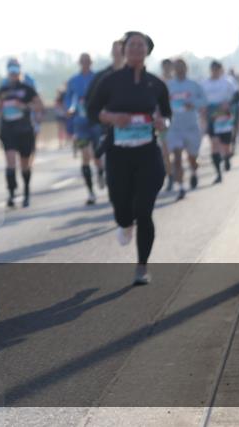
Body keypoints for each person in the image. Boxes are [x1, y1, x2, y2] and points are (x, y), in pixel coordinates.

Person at [87, 31, 171, 286]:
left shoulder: (156, 84)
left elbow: (167, 116)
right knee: (122, 208)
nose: (135, 49)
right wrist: (112, 119)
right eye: (131, 45)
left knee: (144, 211)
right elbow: (92, 111)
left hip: (147, 153)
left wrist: (161, 122)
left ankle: (142, 266)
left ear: (147, 50)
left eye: (140, 45)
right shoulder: (110, 81)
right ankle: (125, 224)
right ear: (123, 50)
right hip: (118, 154)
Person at [0, 57, 44, 208]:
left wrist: (22, 105)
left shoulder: (27, 88)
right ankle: (11, 194)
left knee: (25, 164)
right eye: (11, 70)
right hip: (8, 130)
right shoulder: (3, 90)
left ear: (20, 71)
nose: (13, 73)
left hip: (24, 130)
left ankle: (26, 193)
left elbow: (39, 106)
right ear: (8, 71)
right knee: (10, 162)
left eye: (16, 70)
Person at [65, 53, 105, 205]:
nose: (85, 64)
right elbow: (69, 98)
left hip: (96, 122)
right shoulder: (73, 81)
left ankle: (101, 172)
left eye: (87, 61)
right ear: (79, 63)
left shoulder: (97, 78)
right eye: (82, 62)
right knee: (85, 155)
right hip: (80, 124)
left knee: (97, 155)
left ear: (91, 62)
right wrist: (70, 108)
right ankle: (90, 192)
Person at [165, 58, 206, 200]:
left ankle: (194, 172)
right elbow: (162, 103)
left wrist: (193, 104)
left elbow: (204, 100)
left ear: (186, 68)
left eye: (182, 66)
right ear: (173, 69)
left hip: (191, 126)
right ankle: (181, 187)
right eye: (177, 67)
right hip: (175, 127)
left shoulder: (194, 85)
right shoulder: (169, 86)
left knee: (192, 157)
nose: (179, 69)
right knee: (176, 157)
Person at [201, 60, 239, 183]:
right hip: (211, 114)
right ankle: (218, 173)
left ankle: (227, 157)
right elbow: (201, 99)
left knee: (226, 144)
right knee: (214, 143)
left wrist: (229, 104)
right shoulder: (204, 84)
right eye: (213, 69)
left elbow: (237, 96)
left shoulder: (228, 82)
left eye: (217, 69)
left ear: (221, 70)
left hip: (224, 114)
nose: (215, 71)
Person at [159, 58, 175, 192]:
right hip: (165, 119)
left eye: (169, 67)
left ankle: (177, 171)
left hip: (179, 120)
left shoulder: (178, 82)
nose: (167, 69)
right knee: (166, 151)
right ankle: (170, 176)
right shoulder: (158, 82)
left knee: (177, 149)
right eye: (165, 67)